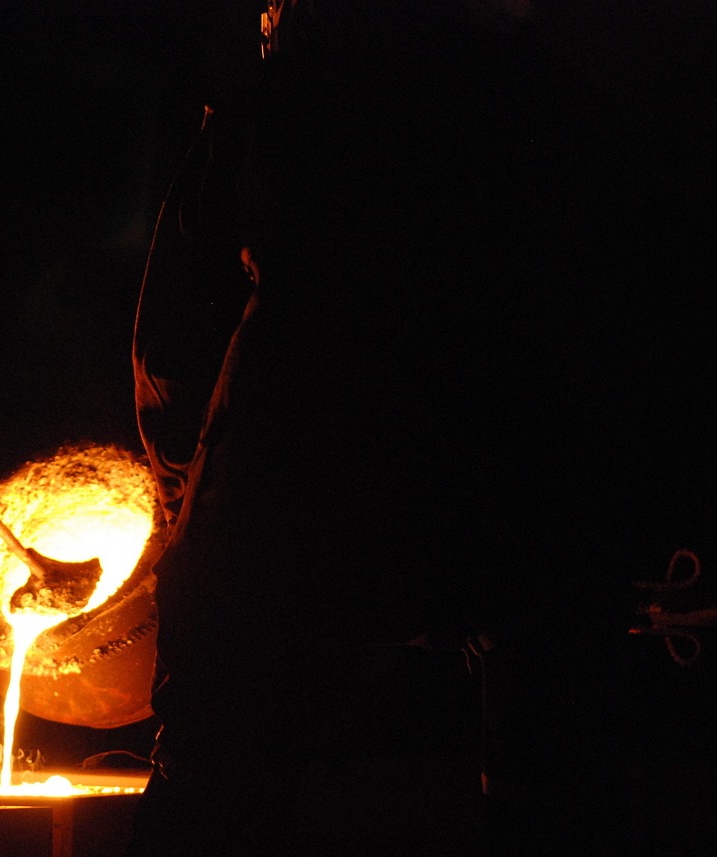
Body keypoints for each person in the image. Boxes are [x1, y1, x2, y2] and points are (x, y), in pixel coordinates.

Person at [127, 1, 712, 855]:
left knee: (220, 744)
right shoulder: (545, 92)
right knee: (554, 756)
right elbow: (643, 298)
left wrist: (188, 494)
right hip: (519, 461)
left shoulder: (283, 92)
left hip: (303, 453)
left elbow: (177, 332)